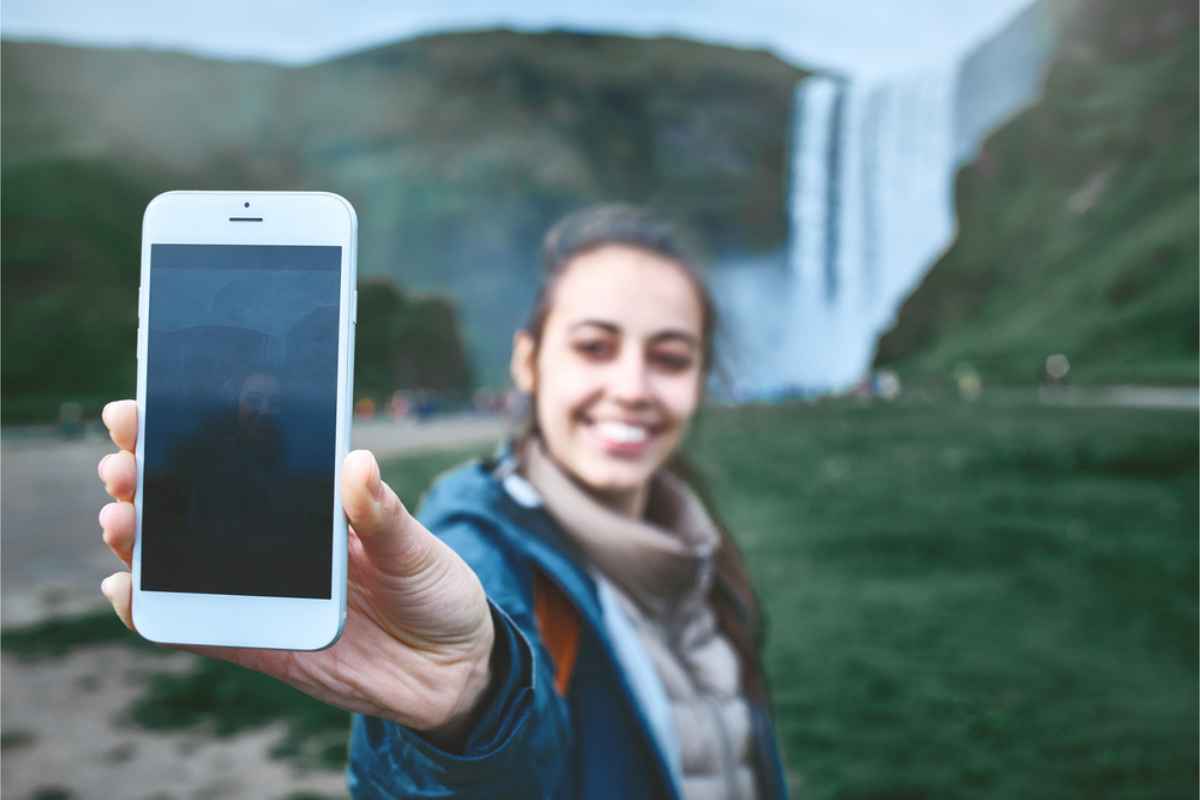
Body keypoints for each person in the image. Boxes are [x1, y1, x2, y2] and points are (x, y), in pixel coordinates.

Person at [95, 205, 789, 799]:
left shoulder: (694, 542)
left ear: (702, 376)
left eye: (671, 357)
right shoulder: (477, 545)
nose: (632, 387)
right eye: (594, 347)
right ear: (528, 360)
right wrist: (470, 706)